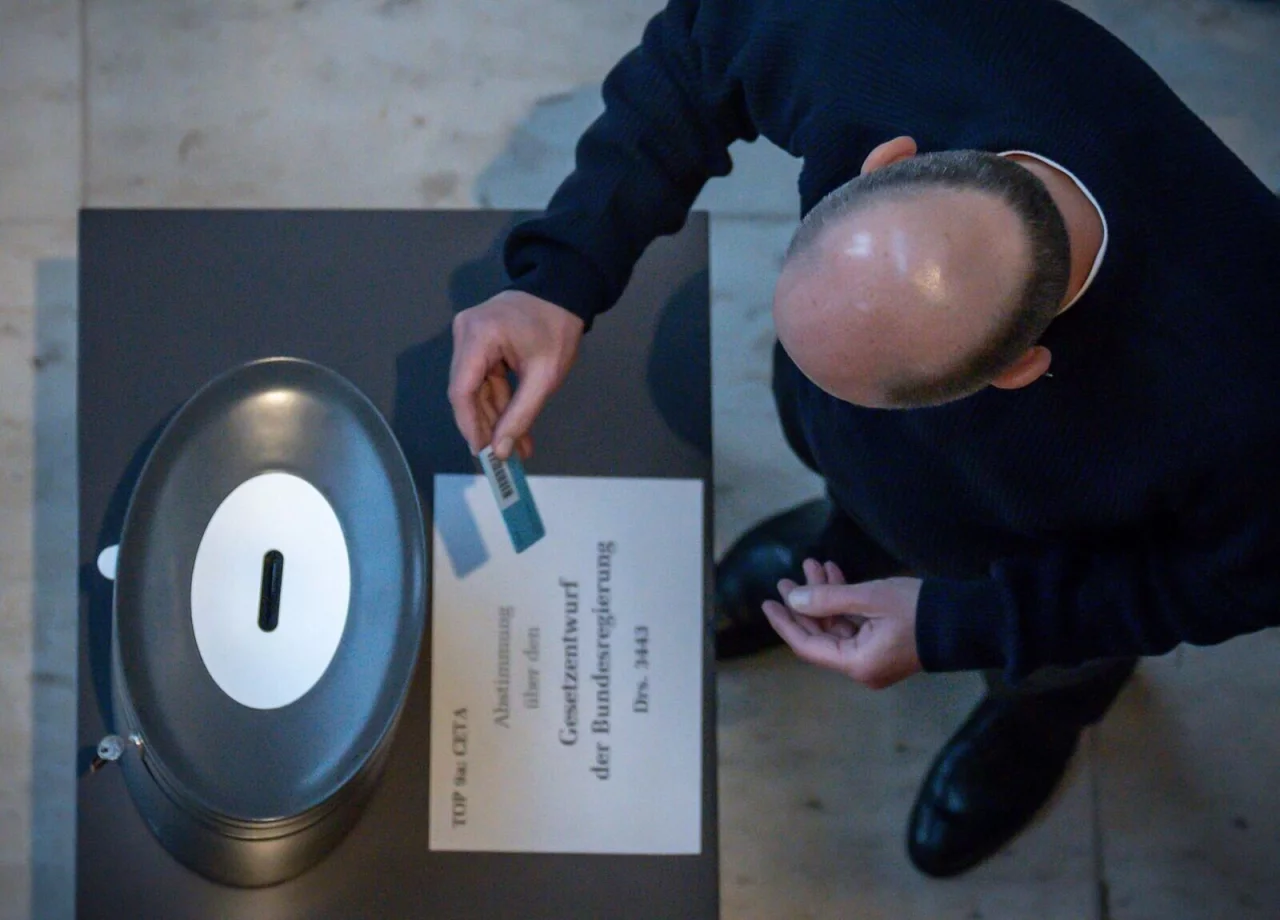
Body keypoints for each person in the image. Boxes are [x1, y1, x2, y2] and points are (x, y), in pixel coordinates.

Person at [448, 0, 1280, 878]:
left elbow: (1235, 581)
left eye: (862, 389)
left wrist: (957, 626)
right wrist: (558, 279)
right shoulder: (893, 33)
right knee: (852, 477)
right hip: (896, 479)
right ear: (888, 160)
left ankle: (1035, 717)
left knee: (1054, 669)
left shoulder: (1247, 390)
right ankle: (848, 535)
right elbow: (700, 45)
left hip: (1047, 554)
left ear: (1018, 370)